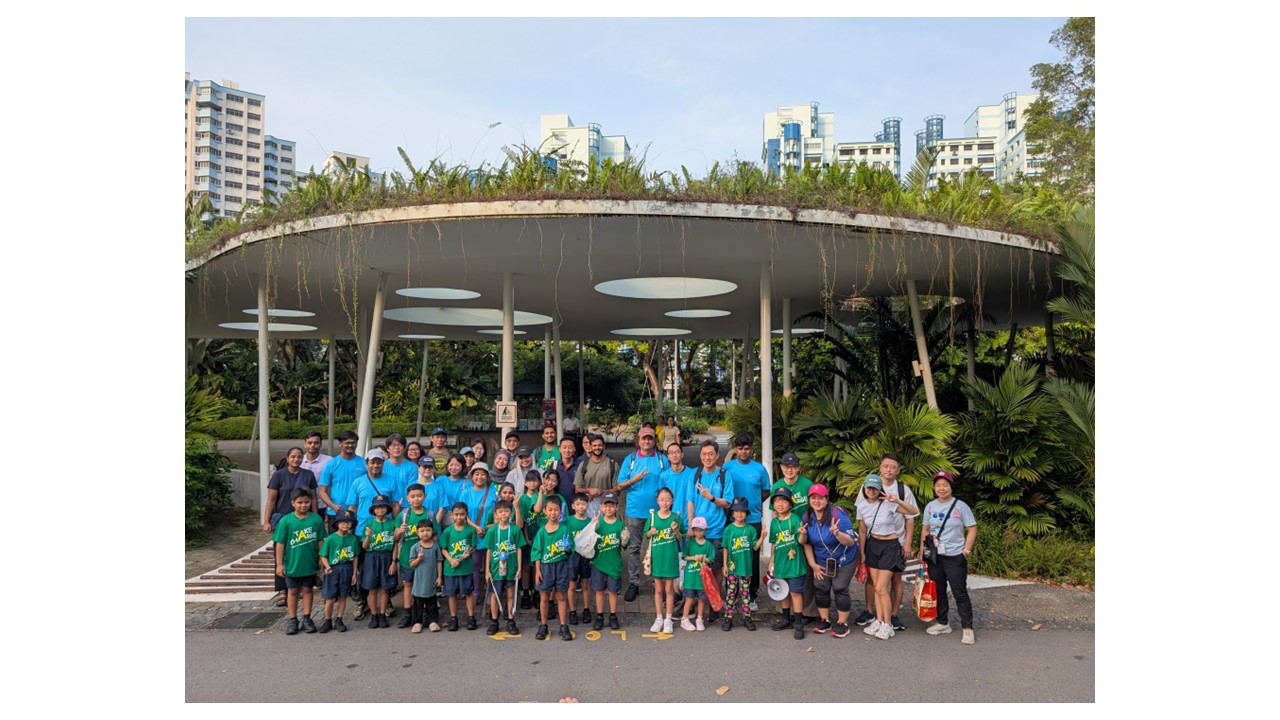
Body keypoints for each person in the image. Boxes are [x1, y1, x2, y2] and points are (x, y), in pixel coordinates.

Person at [853, 454, 919, 632]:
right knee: (875, 584)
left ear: (898, 470)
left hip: (895, 541)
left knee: (894, 580)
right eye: (885, 466)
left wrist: (907, 543)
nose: (889, 470)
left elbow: (911, 516)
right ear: (880, 468)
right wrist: (862, 550)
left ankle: (892, 617)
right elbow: (862, 525)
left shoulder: (902, 491)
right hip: (873, 542)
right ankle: (874, 615)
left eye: (893, 467)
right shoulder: (866, 490)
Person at [918, 471, 978, 645]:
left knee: (959, 592)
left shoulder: (961, 506)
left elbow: (972, 528)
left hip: (955, 556)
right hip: (935, 556)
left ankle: (967, 628)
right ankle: (943, 622)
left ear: (951, 487)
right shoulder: (930, 506)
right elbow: (925, 529)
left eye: (945, 485)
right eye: (938, 485)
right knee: (938, 590)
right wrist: (922, 550)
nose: (941, 488)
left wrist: (966, 550)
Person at [617, 426, 669, 602]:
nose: (647, 441)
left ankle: (657, 582)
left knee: (658, 547)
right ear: (638, 440)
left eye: (650, 438)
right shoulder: (630, 460)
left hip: (658, 512)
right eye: (644, 438)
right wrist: (634, 479)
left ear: (654, 440)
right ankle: (633, 583)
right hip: (634, 511)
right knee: (634, 548)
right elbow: (620, 485)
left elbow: (668, 483)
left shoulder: (662, 460)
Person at [801, 484, 858, 638]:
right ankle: (824, 620)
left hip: (844, 558)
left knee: (840, 587)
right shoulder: (807, 517)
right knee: (821, 587)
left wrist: (838, 534)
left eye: (820, 498)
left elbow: (850, 542)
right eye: (813, 498)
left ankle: (843, 623)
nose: (817, 501)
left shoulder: (838, 516)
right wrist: (813, 565)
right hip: (821, 559)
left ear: (827, 499)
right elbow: (806, 543)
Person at [263, 447, 318, 605]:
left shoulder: (308, 475)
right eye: (293, 456)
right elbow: (271, 500)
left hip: (304, 520)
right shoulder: (279, 475)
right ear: (287, 458)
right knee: (281, 552)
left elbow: (313, 498)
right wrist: (266, 521)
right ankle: (283, 589)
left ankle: (301, 585)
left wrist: (316, 517)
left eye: (299, 457)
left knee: (303, 550)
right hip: (283, 519)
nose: (296, 459)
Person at [725, 434, 772, 608]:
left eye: (746, 449)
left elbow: (766, 491)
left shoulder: (759, 469)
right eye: (740, 448)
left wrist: (754, 504)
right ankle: (732, 592)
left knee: (752, 558)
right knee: (733, 555)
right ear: (735, 449)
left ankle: (752, 594)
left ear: (751, 449)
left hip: (753, 519)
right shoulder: (727, 467)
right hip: (732, 519)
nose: (743, 452)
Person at [688, 439, 734, 612]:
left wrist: (711, 498)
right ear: (700, 456)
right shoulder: (695, 474)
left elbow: (728, 503)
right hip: (698, 531)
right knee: (696, 567)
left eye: (710, 454)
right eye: (704, 454)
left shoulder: (724, 475)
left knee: (715, 568)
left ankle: (715, 603)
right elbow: (690, 501)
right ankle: (695, 602)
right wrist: (691, 525)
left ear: (717, 456)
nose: (707, 457)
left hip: (716, 530)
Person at [273, 489, 327, 635]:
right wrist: (279, 564)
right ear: (293, 503)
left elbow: (320, 540)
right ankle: (293, 619)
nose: (303, 505)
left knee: (308, 589)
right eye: (300, 502)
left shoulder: (316, 520)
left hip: (309, 563)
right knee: (292, 591)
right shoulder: (286, 521)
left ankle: (307, 618)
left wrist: (321, 558)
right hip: (292, 563)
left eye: (306, 502)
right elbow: (280, 543)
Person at [531, 495, 575, 641]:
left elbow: (571, 549)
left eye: (556, 510)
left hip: (561, 566)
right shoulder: (542, 532)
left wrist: (567, 548)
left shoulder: (564, 530)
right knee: (544, 597)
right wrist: (537, 571)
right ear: (545, 511)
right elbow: (537, 552)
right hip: (546, 567)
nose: (553, 513)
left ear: (560, 512)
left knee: (561, 596)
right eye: (550, 510)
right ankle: (543, 625)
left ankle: (563, 625)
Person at [393, 483, 436, 629]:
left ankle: (424, 613)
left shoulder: (430, 514)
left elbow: (435, 536)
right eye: (412, 497)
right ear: (407, 498)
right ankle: (407, 612)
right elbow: (395, 537)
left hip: (426, 559)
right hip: (407, 557)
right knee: (408, 584)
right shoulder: (403, 515)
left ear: (425, 496)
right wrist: (399, 531)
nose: (416, 499)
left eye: (419, 496)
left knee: (424, 584)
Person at [766, 487, 807, 639]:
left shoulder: (795, 519)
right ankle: (785, 619)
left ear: (790, 504)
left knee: (795, 592)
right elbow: (774, 543)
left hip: (795, 563)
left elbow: (801, 542)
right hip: (780, 563)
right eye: (777, 501)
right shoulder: (774, 522)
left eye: (784, 501)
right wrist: (771, 561)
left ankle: (798, 623)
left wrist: (803, 534)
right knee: (783, 591)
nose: (780, 504)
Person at [457, 463, 499, 606]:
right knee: (474, 564)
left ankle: (490, 591)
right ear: (472, 476)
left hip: (490, 533)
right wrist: (476, 528)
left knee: (490, 563)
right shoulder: (466, 493)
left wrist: (488, 527)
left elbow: (498, 512)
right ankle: (475, 592)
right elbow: (462, 514)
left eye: (482, 474)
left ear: (487, 476)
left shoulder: (493, 491)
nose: (479, 477)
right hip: (472, 532)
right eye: (476, 474)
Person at [645, 486, 685, 634]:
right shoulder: (652, 517)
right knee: (658, 589)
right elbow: (646, 535)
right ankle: (658, 618)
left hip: (670, 558)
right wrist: (650, 532)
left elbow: (681, 538)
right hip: (657, 559)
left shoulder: (676, 518)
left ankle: (668, 619)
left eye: (667, 500)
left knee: (669, 590)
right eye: (662, 499)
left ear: (672, 501)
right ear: (657, 501)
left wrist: (676, 530)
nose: (665, 502)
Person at [482, 499, 525, 636]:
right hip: (496, 568)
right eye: (500, 512)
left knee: (511, 593)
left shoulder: (516, 530)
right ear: (495, 514)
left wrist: (519, 568)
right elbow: (488, 550)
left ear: (511, 513)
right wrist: (487, 570)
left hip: (511, 567)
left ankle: (511, 620)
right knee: (495, 594)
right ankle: (494, 621)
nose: (504, 514)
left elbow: (519, 549)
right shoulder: (492, 531)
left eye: (506, 511)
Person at [721, 497, 762, 631]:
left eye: (742, 511)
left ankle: (747, 618)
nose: (739, 514)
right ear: (732, 513)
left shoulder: (751, 530)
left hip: (746, 567)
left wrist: (762, 537)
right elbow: (725, 547)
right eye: (737, 511)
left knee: (745, 594)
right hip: (732, 567)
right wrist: (725, 565)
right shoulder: (729, 529)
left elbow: (755, 547)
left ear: (747, 513)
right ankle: (728, 618)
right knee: (731, 593)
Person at [359, 494, 399, 629]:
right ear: (373, 510)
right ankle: (374, 615)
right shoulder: (369, 524)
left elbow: (395, 544)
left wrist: (394, 561)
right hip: (371, 557)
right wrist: (368, 536)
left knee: (385, 588)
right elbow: (364, 546)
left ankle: (382, 614)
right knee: (372, 588)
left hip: (387, 556)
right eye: (377, 507)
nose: (380, 510)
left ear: (387, 509)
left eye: (383, 507)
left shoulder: (392, 523)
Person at [589, 491, 627, 631]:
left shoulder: (620, 525)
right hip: (598, 563)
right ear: (601, 507)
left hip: (614, 564)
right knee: (599, 591)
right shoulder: (597, 524)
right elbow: (588, 542)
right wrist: (592, 528)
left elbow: (624, 545)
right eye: (606, 505)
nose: (608, 508)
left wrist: (624, 539)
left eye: (611, 506)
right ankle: (599, 616)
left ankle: (613, 616)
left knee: (613, 592)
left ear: (617, 507)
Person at [317, 509, 359, 633]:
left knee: (343, 596)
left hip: (347, 568)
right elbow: (323, 555)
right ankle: (327, 620)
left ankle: (339, 619)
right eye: (342, 522)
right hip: (333, 569)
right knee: (330, 598)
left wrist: (354, 573)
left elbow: (355, 557)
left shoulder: (352, 539)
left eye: (348, 522)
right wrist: (327, 567)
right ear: (337, 523)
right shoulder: (331, 539)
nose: (345, 524)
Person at [440, 502, 479, 631]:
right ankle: (453, 618)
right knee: (451, 594)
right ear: (452, 515)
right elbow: (443, 549)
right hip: (451, 569)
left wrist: (469, 552)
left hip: (466, 568)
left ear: (466, 514)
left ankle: (471, 617)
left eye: (462, 514)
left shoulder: (470, 530)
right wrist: (451, 560)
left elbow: (473, 546)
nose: (459, 517)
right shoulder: (447, 531)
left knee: (468, 593)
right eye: (456, 514)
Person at [408, 521, 443, 633]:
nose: (425, 533)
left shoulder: (435, 546)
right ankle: (417, 622)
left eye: (428, 530)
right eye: (422, 531)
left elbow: (439, 561)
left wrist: (439, 577)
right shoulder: (415, 547)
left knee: (432, 601)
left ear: (432, 532)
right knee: (418, 602)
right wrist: (418, 558)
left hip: (431, 580)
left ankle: (433, 621)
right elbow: (411, 564)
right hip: (419, 581)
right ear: (417, 533)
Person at [679, 517, 714, 632]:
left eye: (701, 530)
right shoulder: (690, 543)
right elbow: (685, 556)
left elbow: (711, 559)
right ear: (693, 531)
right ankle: (684, 619)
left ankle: (700, 619)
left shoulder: (708, 545)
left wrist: (703, 558)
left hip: (702, 578)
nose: (698, 533)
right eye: (696, 530)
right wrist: (694, 558)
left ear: (705, 530)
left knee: (701, 599)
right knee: (689, 598)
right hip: (690, 577)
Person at [658, 442, 697, 533]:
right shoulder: (663, 476)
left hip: (688, 522)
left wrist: (692, 523)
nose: (674, 455)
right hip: (670, 522)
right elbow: (661, 500)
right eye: (671, 453)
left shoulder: (692, 474)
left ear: (682, 454)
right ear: (668, 456)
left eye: (677, 452)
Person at [574, 433, 618, 516]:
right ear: (591, 447)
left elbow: (617, 490)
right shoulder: (583, 465)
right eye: (594, 445)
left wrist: (601, 492)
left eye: (599, 445)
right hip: (587, 510)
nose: (597, 448)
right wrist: (589, 490)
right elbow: (577, 489)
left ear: (603, 446)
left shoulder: (612, 465)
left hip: (607, 509)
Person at [382, 434, 419, 503]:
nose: (397, 448)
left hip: (406, 504)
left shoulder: (412, 467)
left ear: (404, 448)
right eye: (393, 445)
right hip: (386, 504)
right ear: (388, 449)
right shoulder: (382, 466)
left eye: (399, 445)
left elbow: (411, 489)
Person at [301, 431, 331, 514]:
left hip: (323, 504)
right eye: (309, 443)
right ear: (305, 444)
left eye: (316, 443)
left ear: (321, 444)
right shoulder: (299, 460)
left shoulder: (329, 461)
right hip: (302, 505)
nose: (312, 445)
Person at [553, 437, 583, 501]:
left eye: (570, 448)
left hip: (576, 503)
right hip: (558, 503)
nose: (567, 450)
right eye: (564, 447)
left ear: (574, 449)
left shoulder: (581, 465)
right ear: (559, 449)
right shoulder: (554, 465)